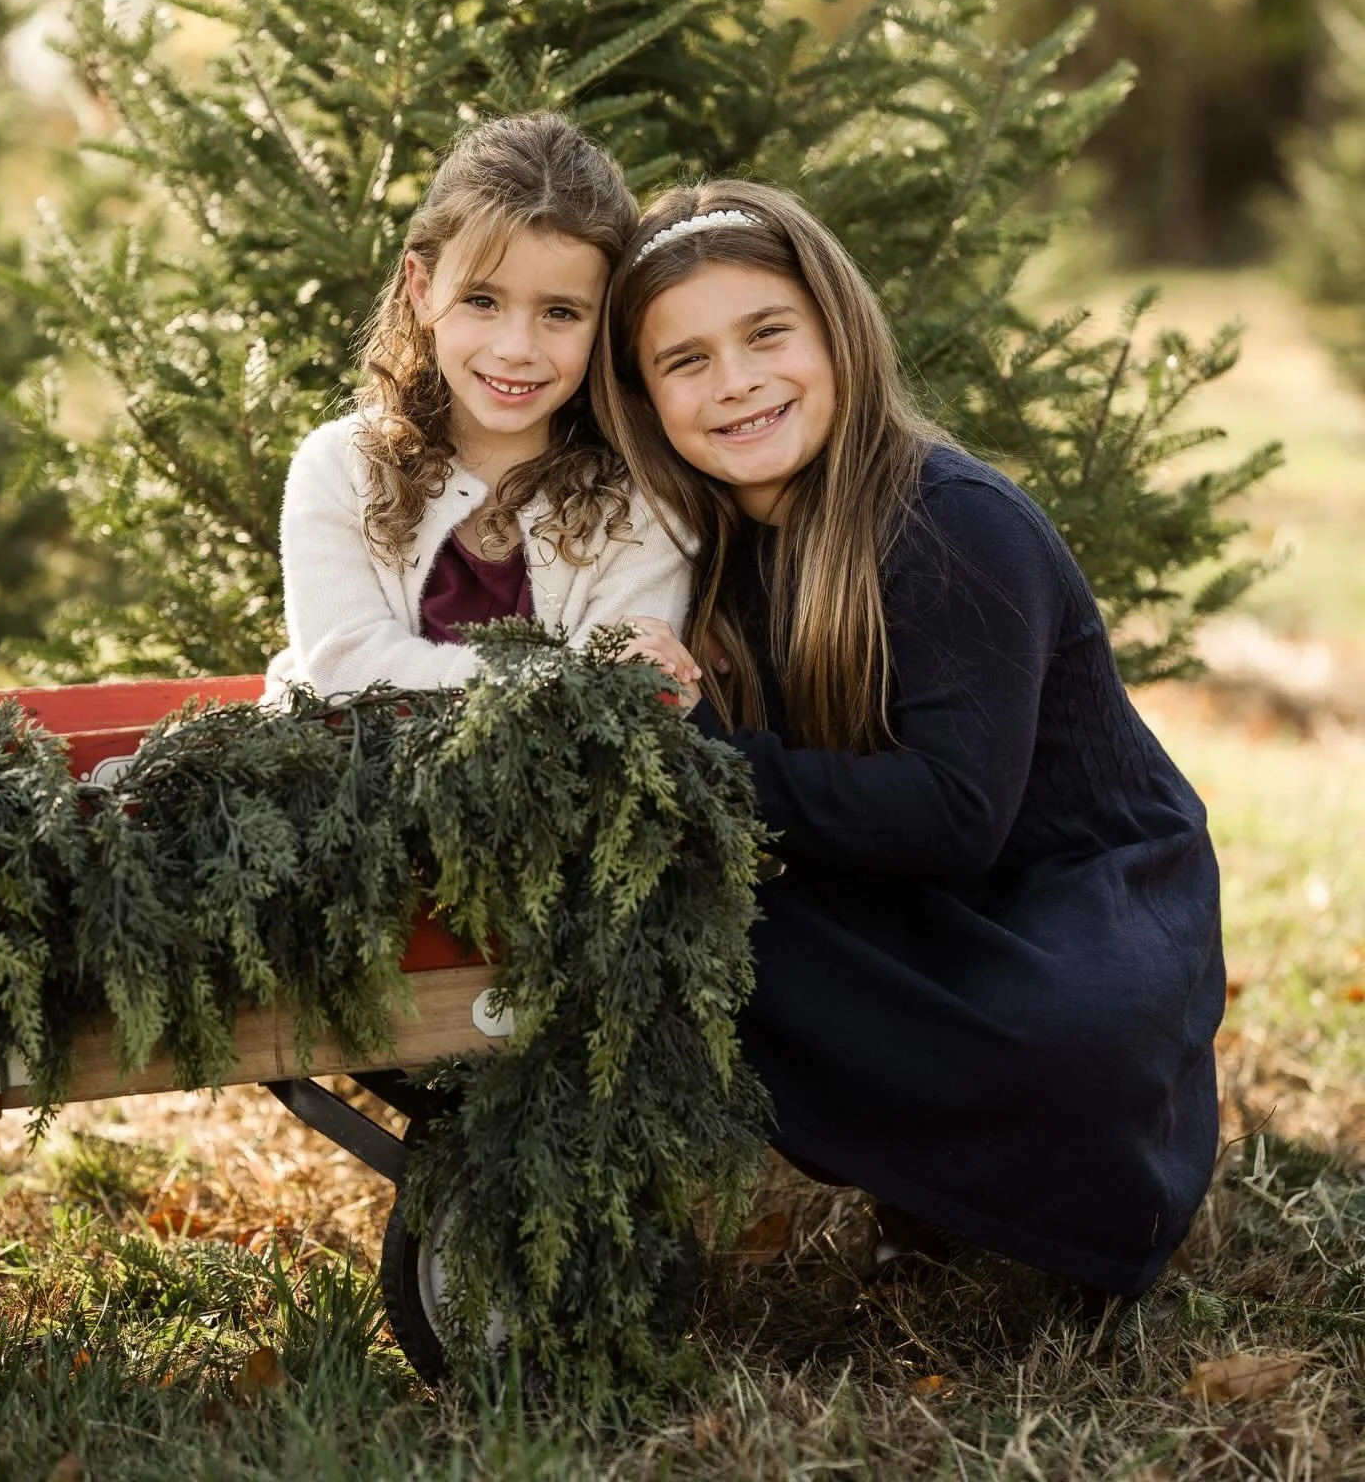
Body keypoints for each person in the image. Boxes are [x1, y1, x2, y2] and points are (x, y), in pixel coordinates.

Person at [592, 179, 1226, 1301]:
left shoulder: (956, 522)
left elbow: (952, 815)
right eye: (684, 360)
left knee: (1065, 1048)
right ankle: (910, 1179)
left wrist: (696, 753)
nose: (736, 381)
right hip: (889, 886)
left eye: (766, 333)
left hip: (1076, 888)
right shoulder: (697, 551)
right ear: (643, 396)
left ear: (836, 332)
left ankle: (1067, 1198)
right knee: (702, 928)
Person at [265, 112, 698, 699]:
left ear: (605, 320)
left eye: (560, 313)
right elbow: (345, 670)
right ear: (422, 289)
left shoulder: (643, 508)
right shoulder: (342, 468)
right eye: (482, 300)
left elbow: (622, 707)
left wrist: (594, 683)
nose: (516, 349)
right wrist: (563, 677)